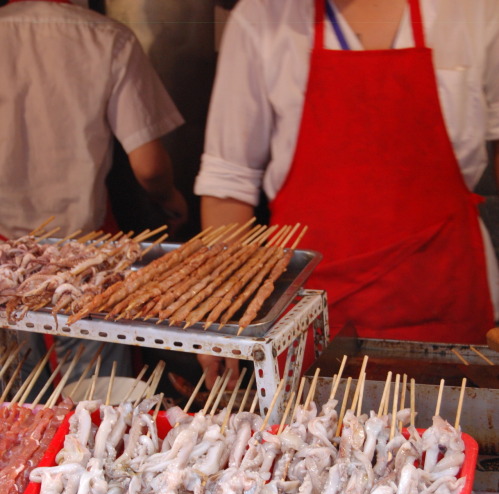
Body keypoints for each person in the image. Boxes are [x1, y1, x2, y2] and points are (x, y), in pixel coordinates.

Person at [194, 0, 499, 385]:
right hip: (307, 314)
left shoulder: (475, 10)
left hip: (443, 302)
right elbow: (229, 182)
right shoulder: (263, 17)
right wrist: (223, 307)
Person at [0, 0, 187, 388]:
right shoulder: (108, 38)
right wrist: (169, 198)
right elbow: (149, 166)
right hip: (84, 260)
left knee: (16, 413)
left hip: (5, 261)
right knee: (93, 414)